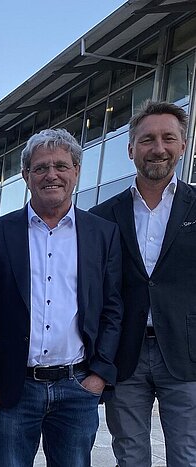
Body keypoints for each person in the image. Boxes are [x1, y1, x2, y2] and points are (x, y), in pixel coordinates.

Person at [0, 128, 123, 466]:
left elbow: (112, 308)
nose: (51, 174)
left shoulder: (102, 234)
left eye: (61, 166)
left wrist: (98, 376)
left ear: (77, 172)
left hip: (77, 387)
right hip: (14, 389)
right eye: (40, 168)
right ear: (25, 176)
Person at [90, 101, 196, 466]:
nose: (158, 148)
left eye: (169, 138)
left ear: (183, 146)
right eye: (147, 139)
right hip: (126, 356)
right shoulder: (102, 216)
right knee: (130, 456)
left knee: (187, 455)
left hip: (187, 355)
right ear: (131, 148)